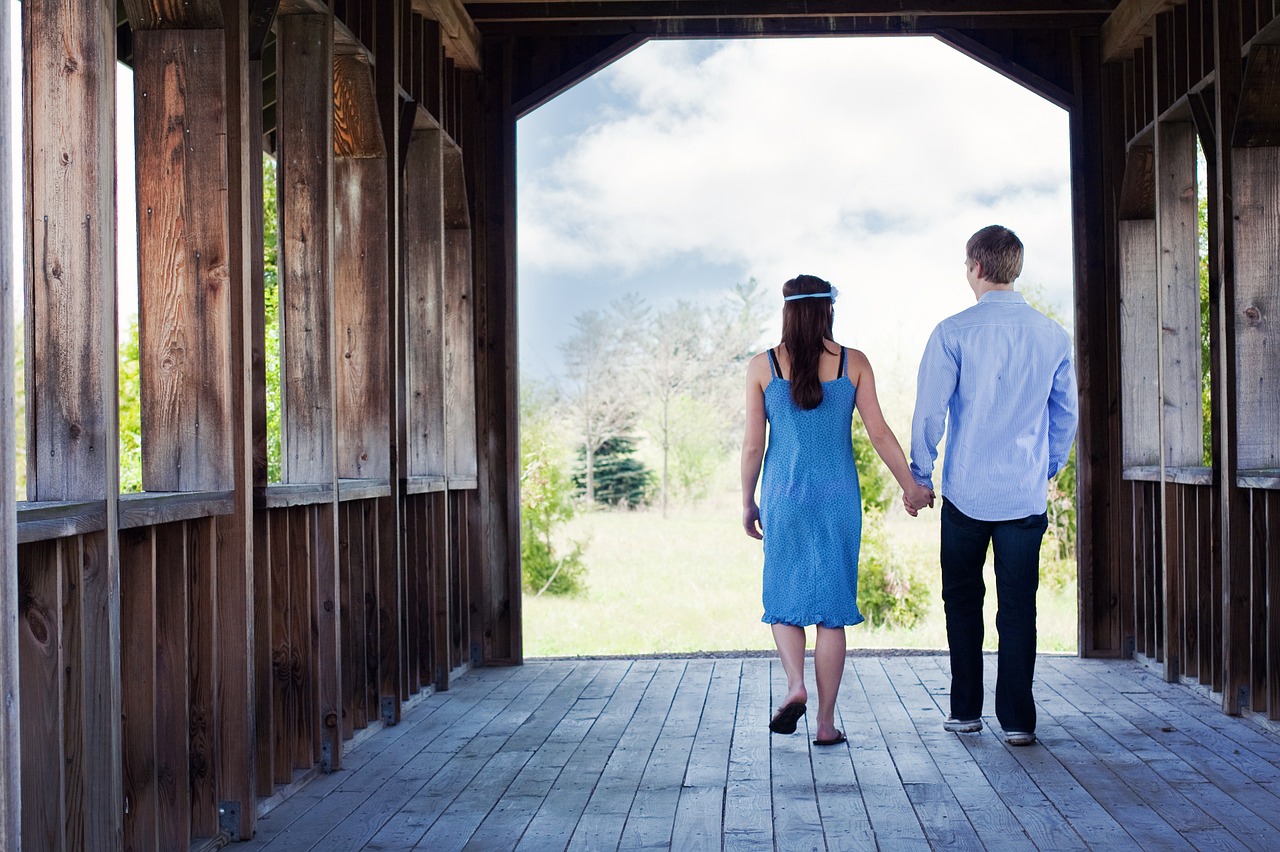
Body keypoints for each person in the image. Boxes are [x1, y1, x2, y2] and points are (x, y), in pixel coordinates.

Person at [741, 274, 934, 747]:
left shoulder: (763, 366)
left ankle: (795, 686)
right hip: (838, 500)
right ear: (829, 310)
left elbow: (752, 447)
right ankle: (825, 725)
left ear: (788, 311)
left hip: (784, 496)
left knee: (784, 599)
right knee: (831, 611)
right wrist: (911, 487)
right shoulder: (854, 363)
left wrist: (747, 501)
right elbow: (881, 434)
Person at [908, 225, 1078, 747]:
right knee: (1018, 606)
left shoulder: (953, 332)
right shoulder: (1051, 335)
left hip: (966, 493)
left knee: (962, 600)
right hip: (1023, 495)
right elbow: (1066, 414)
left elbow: (930, 412)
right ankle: (1019, 721)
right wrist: (1048, 466)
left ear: (977, 268)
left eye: (966, 265)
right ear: (1015, 268)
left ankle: (965, 711)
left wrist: (921, 473)